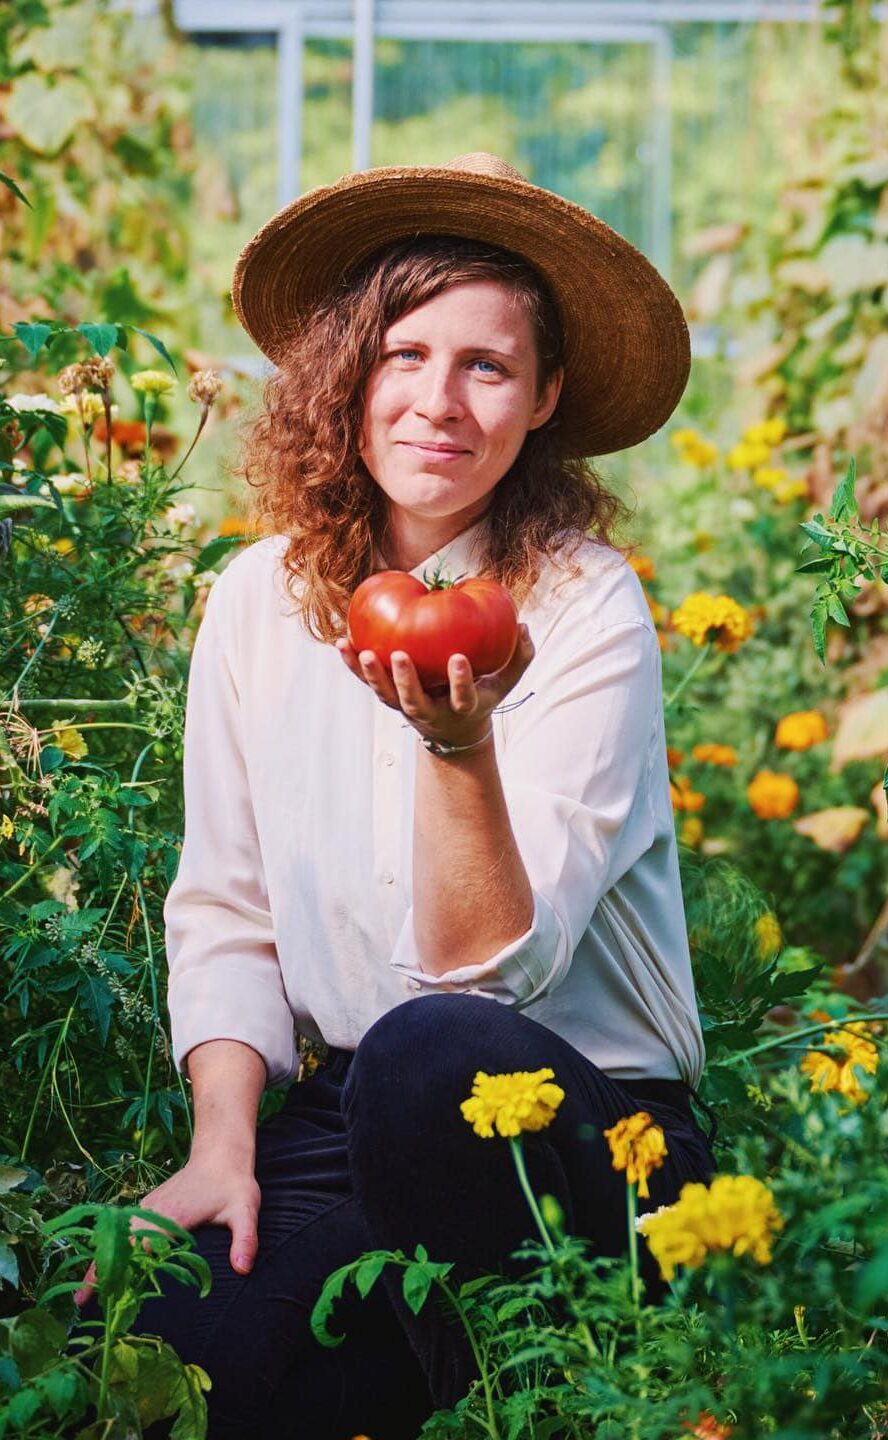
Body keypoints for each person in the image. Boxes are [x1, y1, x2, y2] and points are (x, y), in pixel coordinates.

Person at [76, 152, 718, 1440]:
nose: (440, 401)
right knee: (155, 1344)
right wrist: (223, 1148)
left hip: (582, 1132)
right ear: (347, 375)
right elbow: (226, 909)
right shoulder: (256, 600)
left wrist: (458, 748)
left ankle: (542, 1383)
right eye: (405, 355)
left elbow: (495, 982)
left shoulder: (585, 601)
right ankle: (452, 1380)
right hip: (353, 1112)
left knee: (433, 1055)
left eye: (487, 366)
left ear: (542, 401)